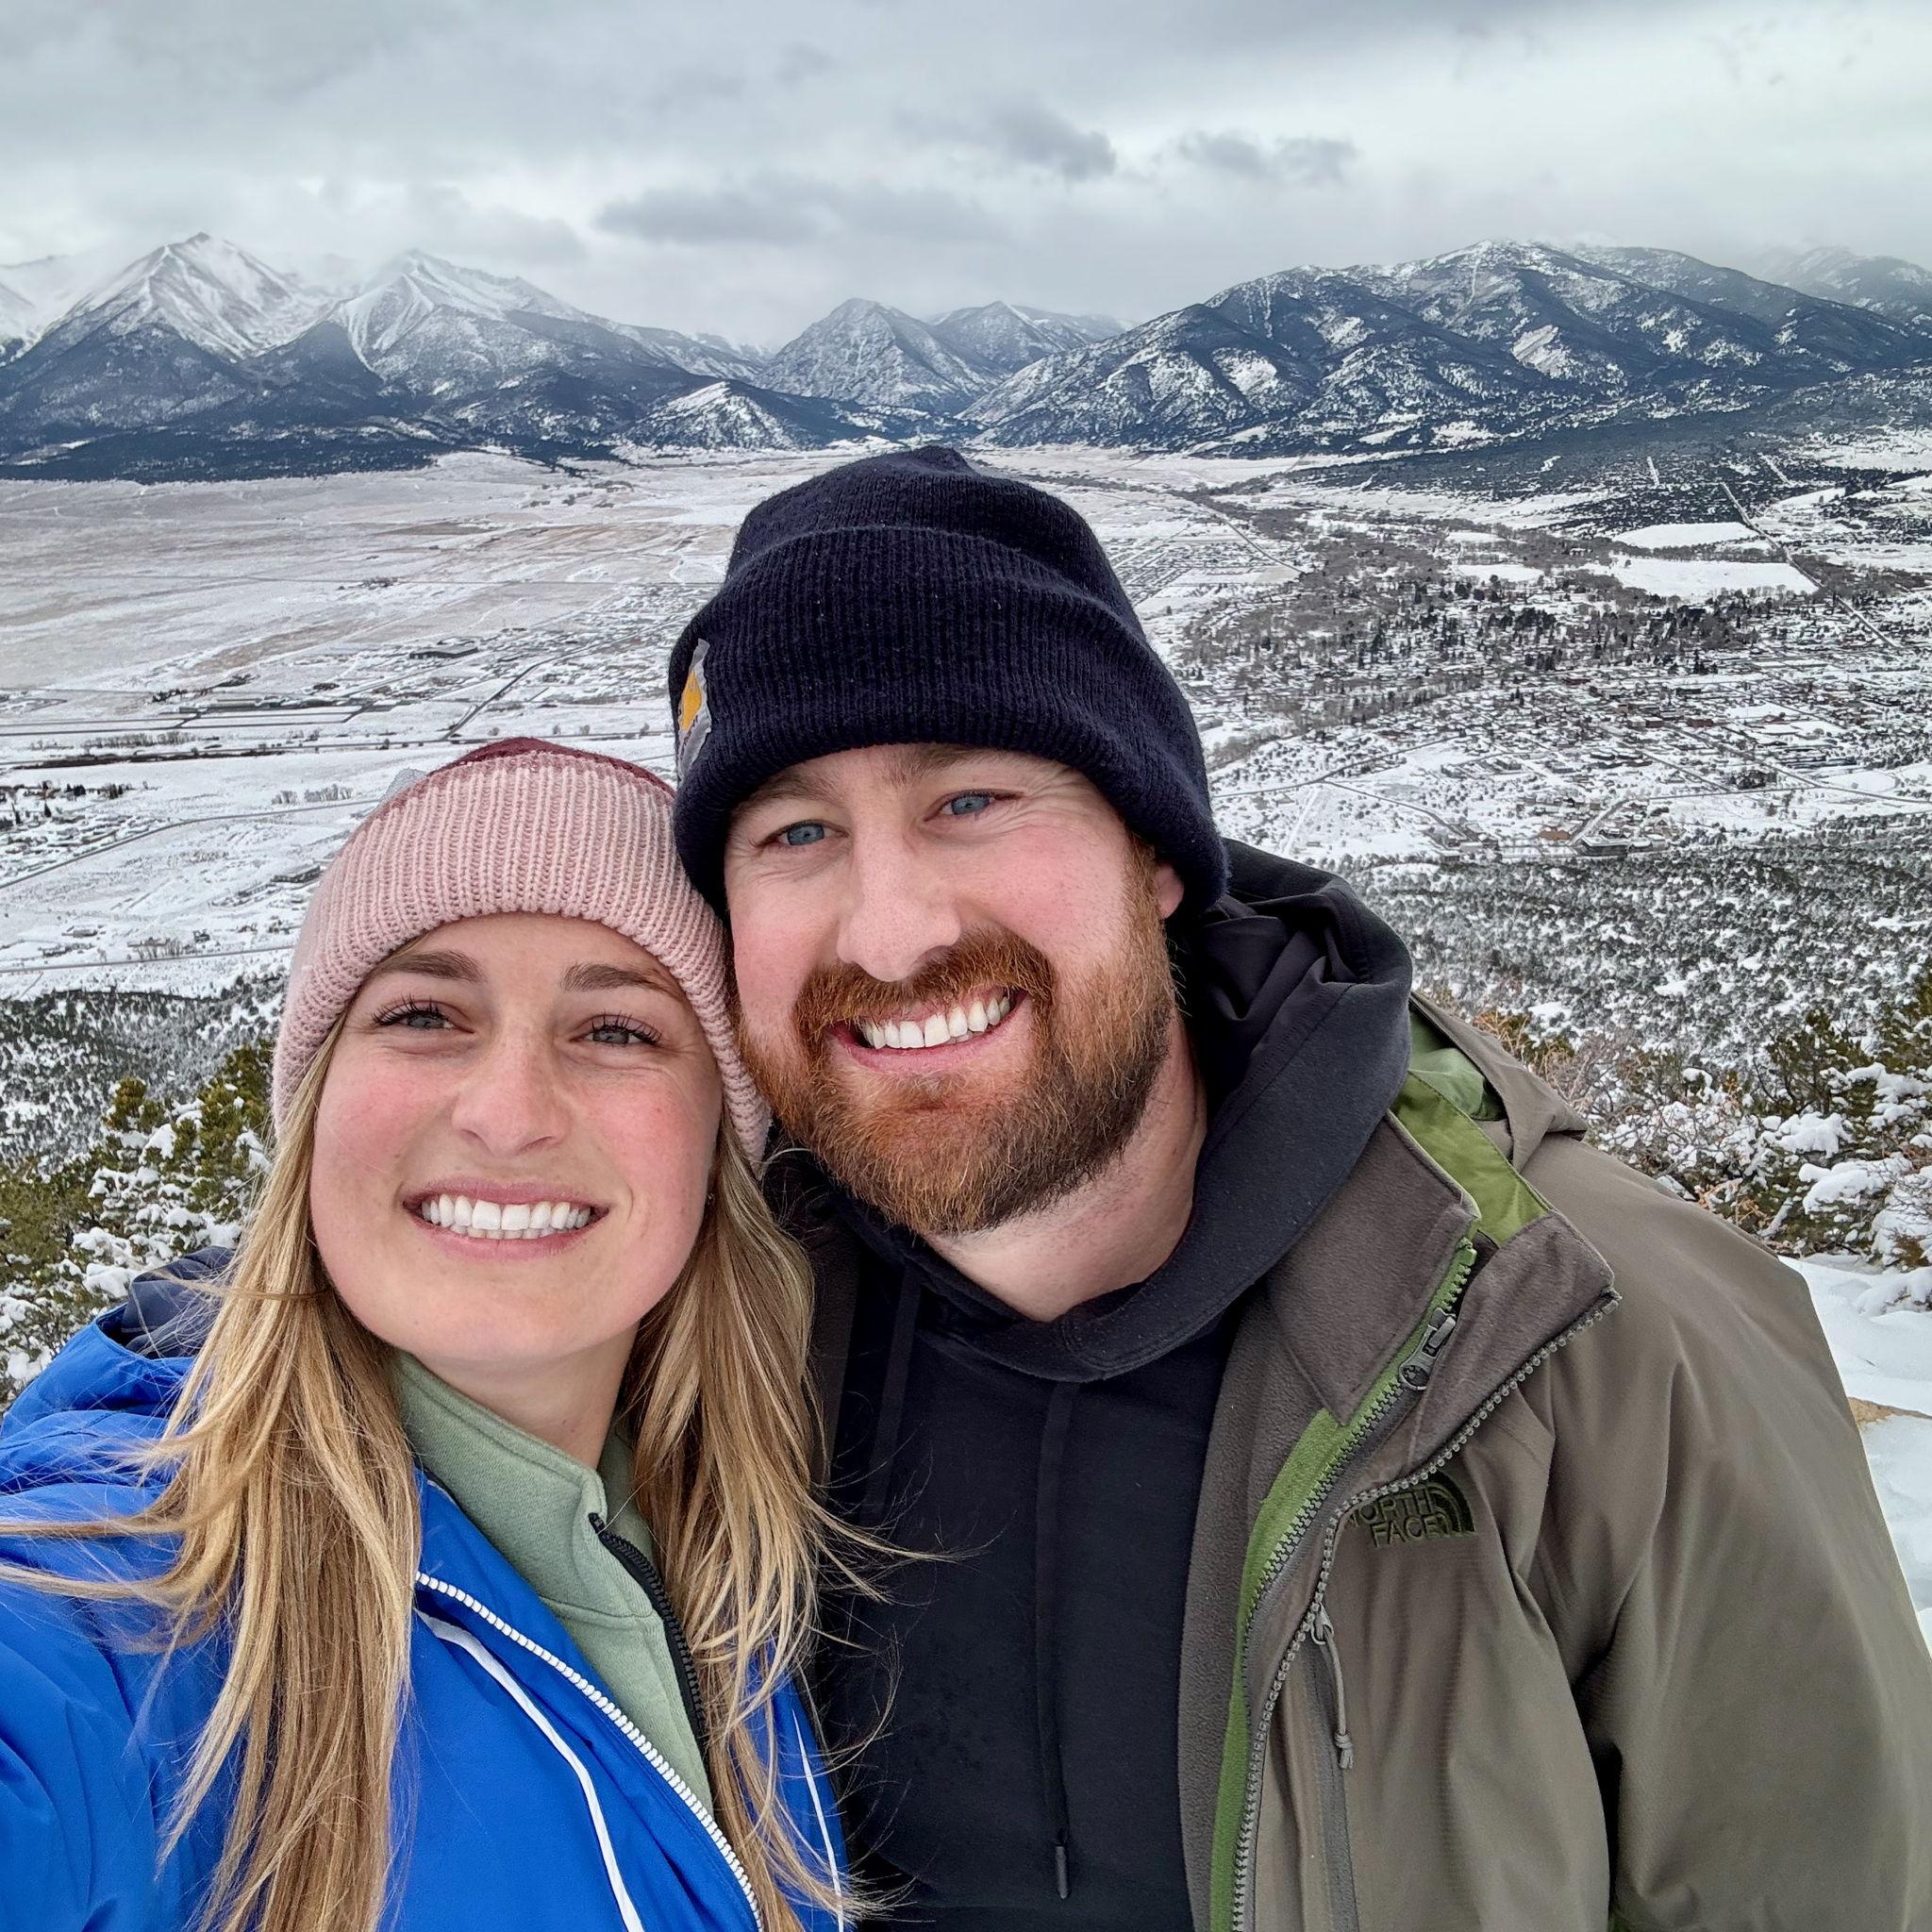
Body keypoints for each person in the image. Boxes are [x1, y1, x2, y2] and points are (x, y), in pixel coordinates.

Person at [658, 446, 1932, 1931]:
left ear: (1154, 853)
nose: (889, 932)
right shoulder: (706, 1343)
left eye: (973, 798)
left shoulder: (1592, 1343)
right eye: (795, 833)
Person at [0, 740, 849, 1932]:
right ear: (315, 1110)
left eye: (616, 1030)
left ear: (719, 1142)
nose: (507, 1112)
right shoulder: (133, 1604)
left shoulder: (738, 1537)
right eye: (422, 1013)